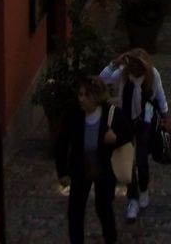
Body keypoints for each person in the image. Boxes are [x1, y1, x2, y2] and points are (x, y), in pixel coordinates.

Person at [99, 48, 170, 222]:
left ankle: (144, 187)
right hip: (125, 121)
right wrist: (115, 63)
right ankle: (133, 198)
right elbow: (102, 79)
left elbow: (160, 96)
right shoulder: (123, 74)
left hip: (145, 120)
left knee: (141, 160)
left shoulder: (152, 75)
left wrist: (165, 117)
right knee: (128, 160)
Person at [55, 77, 128, 244]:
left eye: (86, 95)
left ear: (96, 96)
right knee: (75, 210)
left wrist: (115, 138)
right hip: (80, 167)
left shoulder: (112, 114)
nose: (81, 98)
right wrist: (63, 172)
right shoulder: (73, 115)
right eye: (80, 94)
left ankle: (110, 239)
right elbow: (62, 143)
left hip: (104, 167)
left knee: (103, 208)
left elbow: (128, 135)